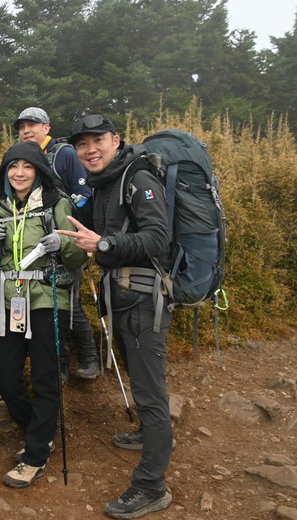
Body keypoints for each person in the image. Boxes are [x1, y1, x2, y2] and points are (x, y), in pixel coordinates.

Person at [58, 115, 173, 519]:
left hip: (143, 301)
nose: (90, 149)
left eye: (98, 140)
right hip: (121, 298)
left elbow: (159, 238)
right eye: (82, 143)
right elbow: (85, 232)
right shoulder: (104, 183)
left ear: (116, 140)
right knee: (138, 380)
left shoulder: (138, 177)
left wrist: (103, 242)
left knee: (149, 392)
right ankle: (146, 433)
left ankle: (151, 486)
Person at [0, 141, 85, 488]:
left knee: (45, 376)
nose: (19, 173)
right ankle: (39, 430)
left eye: (27, 167)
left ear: (39, 170)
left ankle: (35, 455)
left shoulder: (57, 203)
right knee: (7, 378)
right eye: (12, 167)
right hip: (10, 300)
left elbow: (77, 256)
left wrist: (63, 243)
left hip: (47, 297)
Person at [13, 107, 99, 381]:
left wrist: (68, 229)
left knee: (70, 304)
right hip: (36, 247)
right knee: (49, 307)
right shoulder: (26, 159)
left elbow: (84, 193)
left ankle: (89, 359)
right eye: (22, 127)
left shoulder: (64, 154)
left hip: (66, 243)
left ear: (46, 127)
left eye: (33, 125)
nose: (27, 130)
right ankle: (59, 364)